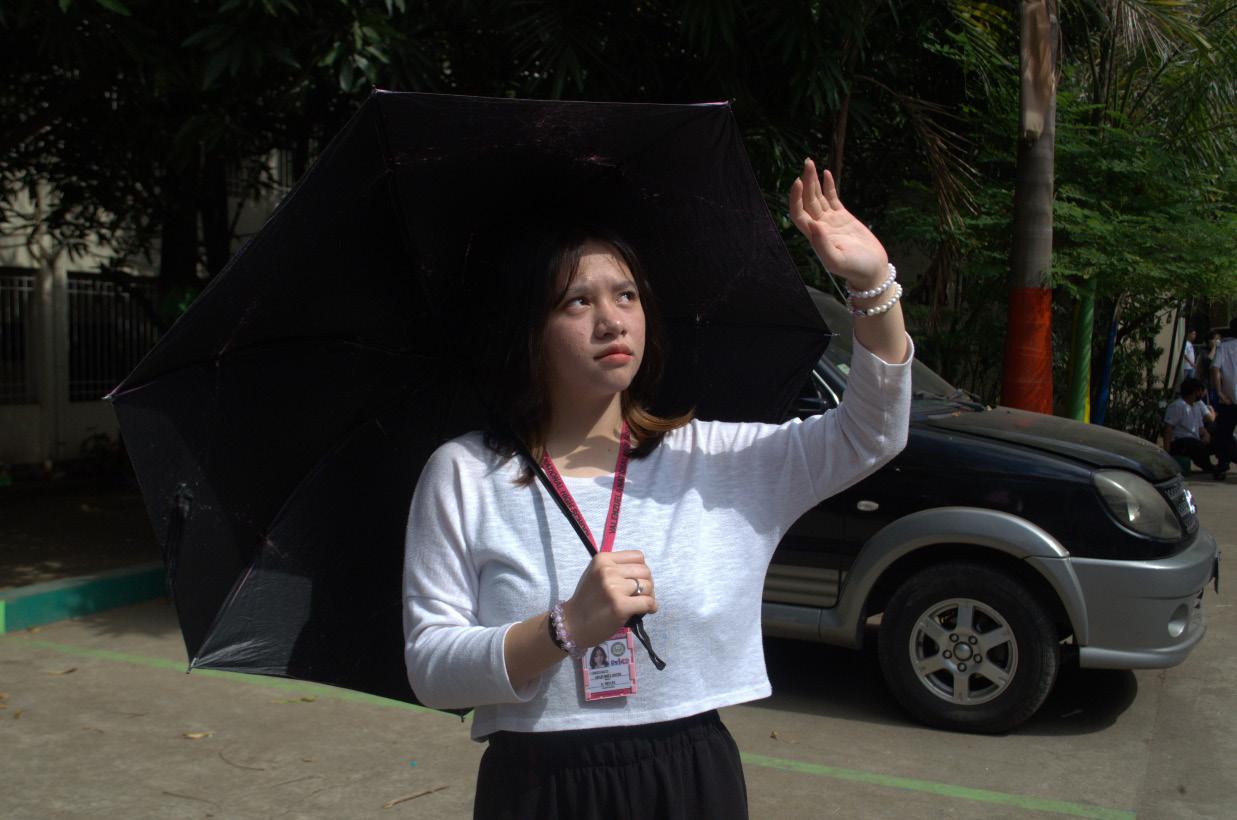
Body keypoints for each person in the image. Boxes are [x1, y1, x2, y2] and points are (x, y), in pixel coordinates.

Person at [402, 159, 912, 819]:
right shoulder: (464, 475)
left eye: (626, 296)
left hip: (689, 776)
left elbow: (870, 434)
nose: (611, 322)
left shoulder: (715, 460)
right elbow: (431, 667)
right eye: (577, 301)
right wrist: (564, 626)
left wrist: (872, 285)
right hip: (538, 785)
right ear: (528, 330)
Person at [1162, 378, 1219, 477]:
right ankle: (1209, 467)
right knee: (1194, 444)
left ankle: (1225, 462)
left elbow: (1200, 427)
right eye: (1199, 391)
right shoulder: (1177, 406)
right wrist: (1167, 453)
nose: (1201, 394)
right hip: (1180, 442)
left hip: (1195, 440)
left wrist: (1206, 434)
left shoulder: (1196, 405)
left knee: (1221, 436)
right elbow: (1168, 429)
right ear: (1194, 392)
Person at [1209, 317, 1237, 482]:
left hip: (1229, 399)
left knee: (1224, 434)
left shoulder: (1224, 347)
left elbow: (1215, 368)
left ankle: (1222, 465)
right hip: (1230, 399)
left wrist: (1219, 392)